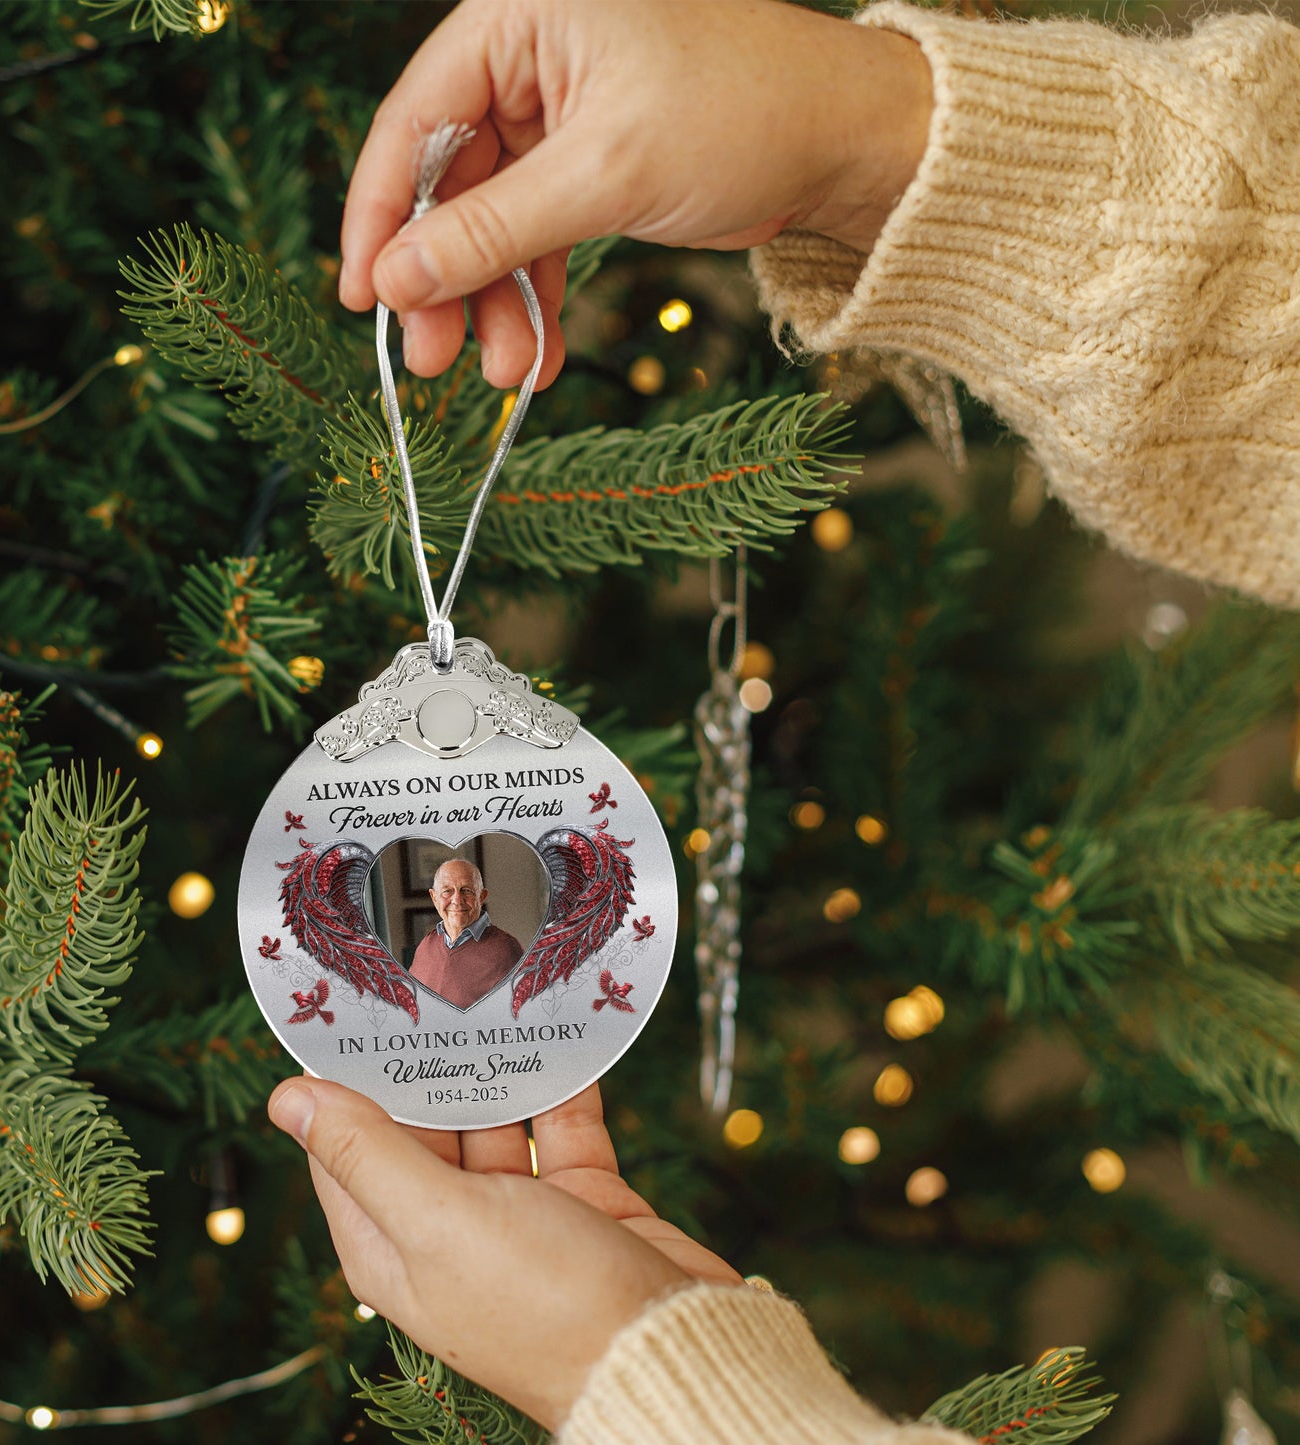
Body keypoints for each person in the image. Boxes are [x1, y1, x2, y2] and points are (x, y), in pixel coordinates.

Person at [271, 1, 1300, 1439]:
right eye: (441, 882)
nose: (449, 886)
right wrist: (871, 133)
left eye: (457, 880)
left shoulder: (506, 941)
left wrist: (636, 1382)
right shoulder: (428, 949)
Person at [409, 857, 524, 1008]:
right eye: (447, 891)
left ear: (482, 896)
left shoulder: (507, 950)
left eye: (467, 891)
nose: (457, 900)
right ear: (434, 897)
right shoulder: (426, 945)